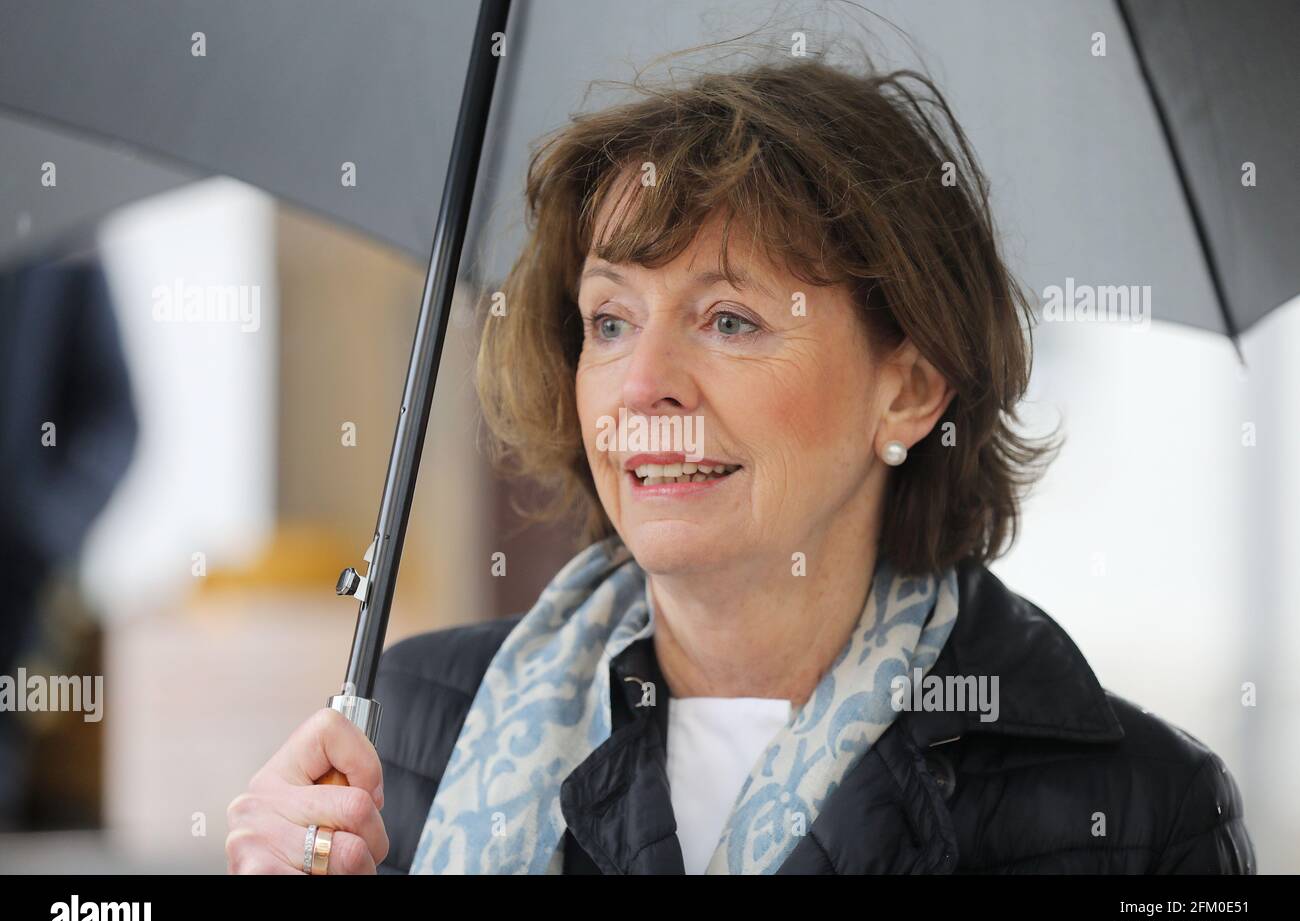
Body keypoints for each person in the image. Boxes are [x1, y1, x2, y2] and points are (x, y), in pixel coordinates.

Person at [226, 56, 1254, 874]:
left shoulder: (1139, 812)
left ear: (909, 388)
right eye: (611, 319)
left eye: (728, 318)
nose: (643, 386)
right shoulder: (403, 733)